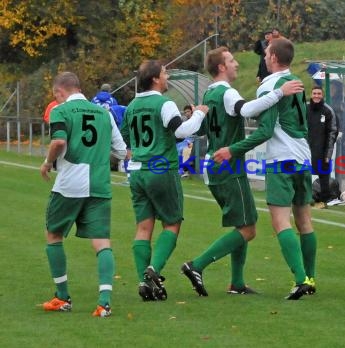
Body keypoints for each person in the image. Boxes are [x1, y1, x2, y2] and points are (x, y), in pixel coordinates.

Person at [179, 46, 303, 296]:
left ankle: (236, 283)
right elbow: (246, 110)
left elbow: (202, 130)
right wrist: (280, 91)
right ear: (222, 67)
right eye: (232, 60)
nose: (237, 64)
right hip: (228, 167)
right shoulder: (226, 92)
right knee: (248, 229)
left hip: (214, 168)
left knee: (241, 224)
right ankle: (196, 265)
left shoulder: (209, 94)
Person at [213, 38, 316, 300]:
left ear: (271, 58)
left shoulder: (269, 86)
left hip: (281, 159)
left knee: (281, 222)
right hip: (303, 156)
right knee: (304, 221)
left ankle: (300, 279)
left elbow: (265, 131)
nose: (265, 56)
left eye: (266, 53)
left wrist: (232, 150)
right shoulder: (295, 82)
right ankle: (310, 278)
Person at [40, 71, 127, 317]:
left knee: (54, 234)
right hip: (99, 183)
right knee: (101, 242)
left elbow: (58, 143)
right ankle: (104, 303)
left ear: (59, 92)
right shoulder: (105, 113)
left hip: (70, 184)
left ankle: (63, 297)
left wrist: (47, 163)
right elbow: (121, 151)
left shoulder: (60, 111)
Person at [120, 60, 209, 301]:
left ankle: (144, 281)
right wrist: (199, 113)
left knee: (143, 228)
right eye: (165, 73)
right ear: (155, 78)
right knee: (172, 223)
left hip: (137, 171)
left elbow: (126, 139)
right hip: (160, 169)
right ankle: (153, 271)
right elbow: (181, 131)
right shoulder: (164, 103)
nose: (167, 77)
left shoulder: (131, 106)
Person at [307, 85, 338, 208]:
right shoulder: (305, 108)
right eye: (314, 93)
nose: (316, 96)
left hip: (322, 149)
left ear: (322, 95)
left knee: (324, 174)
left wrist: (328, 154)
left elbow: (333, 132)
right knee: (303, 174)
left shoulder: (328, 110)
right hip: (306, 149)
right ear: (311, 95)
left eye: (319, 94)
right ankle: (306, 198)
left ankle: (326, 199)